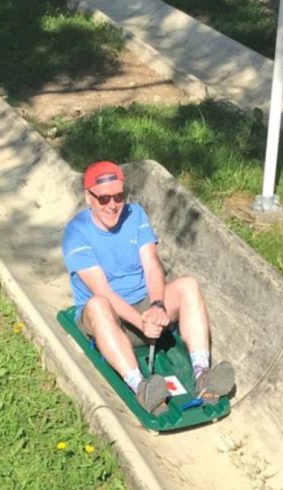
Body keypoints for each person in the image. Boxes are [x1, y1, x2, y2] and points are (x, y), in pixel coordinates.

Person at [62, 161, 234, 415]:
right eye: (104, 199)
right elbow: (103, 291)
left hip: (144, 304)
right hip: (108, 318)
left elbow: (153, 265)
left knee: (188, 285)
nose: (112, 205)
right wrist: (140, 322)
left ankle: (202, 375)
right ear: (89, 197)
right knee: (98, 305)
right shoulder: (76, 233)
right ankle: (140, 387)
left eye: (119, 197)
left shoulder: (135, 216)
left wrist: (157, 306)